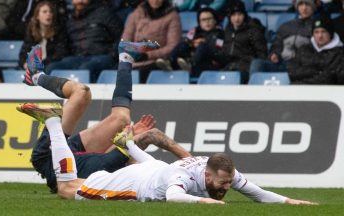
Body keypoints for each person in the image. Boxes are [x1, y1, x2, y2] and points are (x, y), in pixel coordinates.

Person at [19, 42, 316, 205]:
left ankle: (124, 56)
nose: (227, 187)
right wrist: (177, 154)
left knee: (121, 118)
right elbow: (159, 159)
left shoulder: (136, 159)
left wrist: (140, 141)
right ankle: (38, 79)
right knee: (82, 93)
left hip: (80, 158)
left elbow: (146, 150)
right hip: (60, 160)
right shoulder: (135, 161)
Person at [17, 41, 189, 192]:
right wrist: (193, 164)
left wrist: (131, 139)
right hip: (76, 154)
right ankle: (126, 57)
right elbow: (119, 154)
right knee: (120, 118)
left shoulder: (113, 171)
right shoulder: (115, 169)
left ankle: (37, 76)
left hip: (52, 158)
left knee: (81, 92)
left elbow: (120, 154)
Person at [46, 0, 123, 82]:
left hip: (102, 56)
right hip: (77, 58)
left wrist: (113, 55)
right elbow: (63, 44)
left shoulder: (104, 13)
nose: (80, 1)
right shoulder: (68, 18)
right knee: (51, 67)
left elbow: (121, 36)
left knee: (86, 68)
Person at [122, 0, 181, 83]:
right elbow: (126, 40)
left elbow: (173, 46)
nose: (155, 1)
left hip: (157, 61)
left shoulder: (172, 16)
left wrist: (148, 55)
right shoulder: (137, 13)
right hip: (134, 60)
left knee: (141, 75)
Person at [250, 0, 317, 74]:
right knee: (257, 63)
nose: (304, 8)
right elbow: (276, 44)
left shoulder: (318, 27)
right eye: (301, 4)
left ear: (313, 7)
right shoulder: (286, 26)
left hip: (304, 66)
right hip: (283, 64)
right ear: (297, 7)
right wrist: (275, 54)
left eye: (307, 4)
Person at [156, 7, 224, 78]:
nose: (207, 22)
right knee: (183, 44)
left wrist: (204, 43)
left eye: (209, 19)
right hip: (191, 59)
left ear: (215, 20)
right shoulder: (194, 31)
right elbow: (186, 41)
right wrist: (193, 43)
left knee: (202, 46)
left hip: (208, 63)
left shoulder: (220, 34)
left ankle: (190, 64)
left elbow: (217, 50)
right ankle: (169, 61)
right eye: (203, 20)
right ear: (199, 22)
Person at [220, 0, 267, 83]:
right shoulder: (228, 30)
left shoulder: (253, 29)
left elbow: (262, 54)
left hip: (246, 68)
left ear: (244, 15)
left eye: (240, 14)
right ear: (229, 16)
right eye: (233, 15)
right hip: (230, 67)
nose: (237, 18)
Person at [287, 17, 344, 84]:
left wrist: (302, 82)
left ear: (330, 34)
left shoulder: (340, 53)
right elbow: (292, 72)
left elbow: (331, 78)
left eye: (323, 32)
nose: (320, 36)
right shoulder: (303, 49)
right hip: (300, 91)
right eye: (316, 32)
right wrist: (316, 71)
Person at [19, 1, 68, 71]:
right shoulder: (31, 32)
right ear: (37, 16)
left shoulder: (59, 32)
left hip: (50, 66)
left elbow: (60, 54)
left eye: (51, 12)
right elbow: (23, 53)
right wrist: (25, 63)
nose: (48, 14)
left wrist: (41, 63)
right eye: (44, 12)